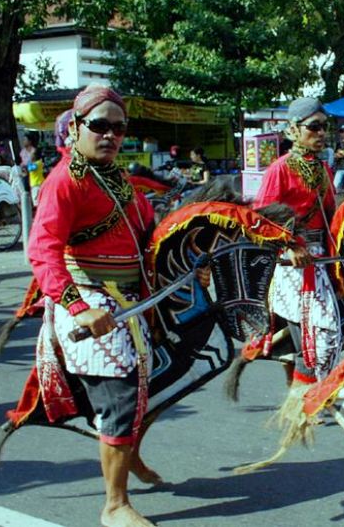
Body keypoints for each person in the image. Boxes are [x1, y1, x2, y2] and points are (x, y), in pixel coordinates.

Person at [28, 85, 209, 527]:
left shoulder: (118, 178)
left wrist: (189, 263)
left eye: (119, 127)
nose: (110, 135)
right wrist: (78, 307)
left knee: (160, 382)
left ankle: (132, 461)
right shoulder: (64, 181)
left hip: (134, 299)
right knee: (122, 399)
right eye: (100, 126)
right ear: (74, 128)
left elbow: (151, 234)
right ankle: (114, 504)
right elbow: (42, 250)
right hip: (90, 299)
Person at [251, 97, 341, 388]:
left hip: (320, 261)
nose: (321, 134)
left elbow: (331, 216)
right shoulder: (280, 169)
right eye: (314, 127)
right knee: (311, 339)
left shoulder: (324, 170)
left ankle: (303, 396)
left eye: (325, 127)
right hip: (291, 265)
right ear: (293, 129)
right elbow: (262, 218)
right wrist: (289, 246)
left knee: (321, 336)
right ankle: (302, 405)